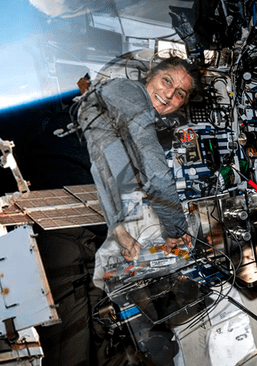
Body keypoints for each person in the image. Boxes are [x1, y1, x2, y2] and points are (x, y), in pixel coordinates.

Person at [75, 56, 198, 289]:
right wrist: (178, 231)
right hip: (59, 187)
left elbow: (103, 169)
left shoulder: (134, 113)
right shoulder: (132, 94)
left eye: (180, 93)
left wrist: (120, 234)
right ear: (150, 76)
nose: (170, 94)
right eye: (167, 81)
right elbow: (157, 177)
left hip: (83, 202)